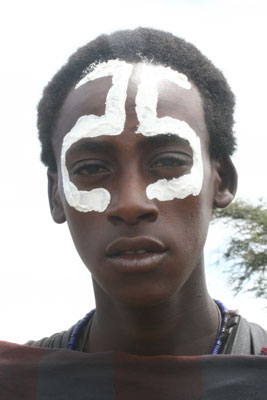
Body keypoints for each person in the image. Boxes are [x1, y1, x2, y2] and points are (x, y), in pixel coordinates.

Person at [0, 27, 266, 399]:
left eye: (169, 162)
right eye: (91, 168)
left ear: (221, 182)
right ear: (56, 194)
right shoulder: (17, 385)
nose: (130, 203)